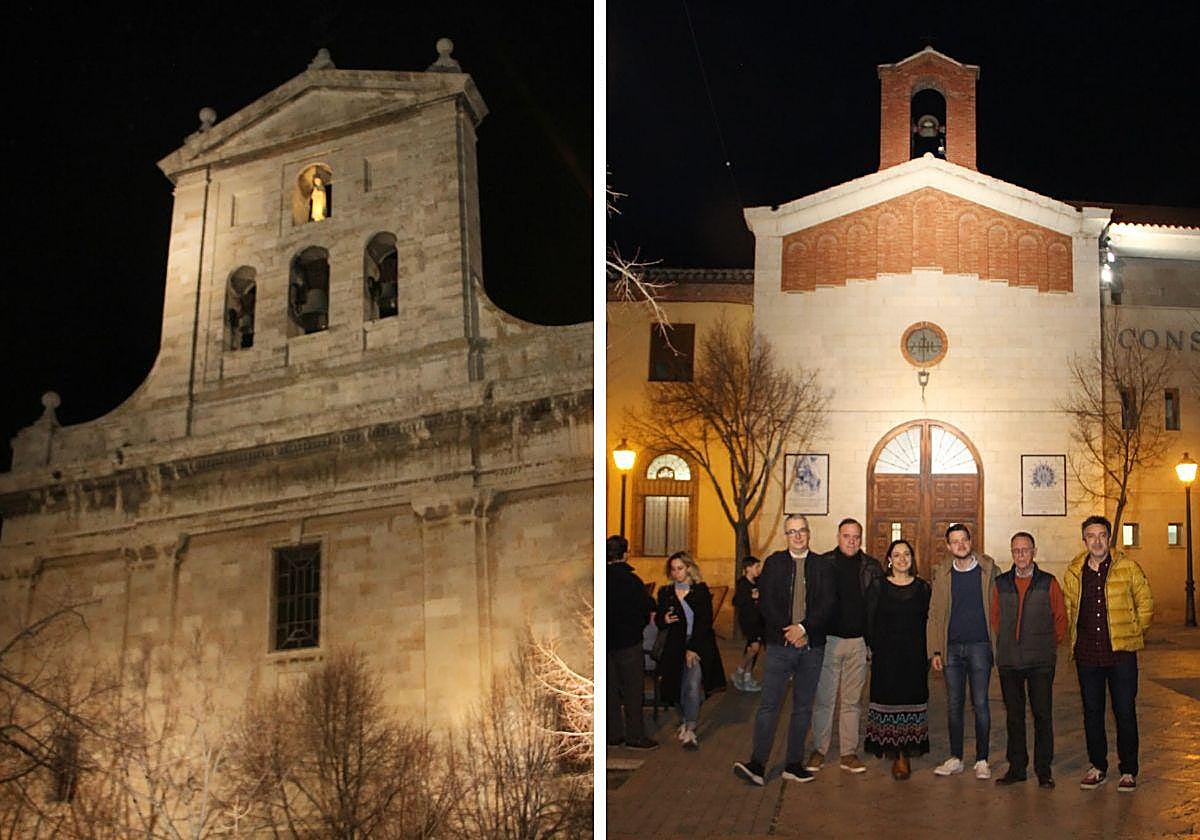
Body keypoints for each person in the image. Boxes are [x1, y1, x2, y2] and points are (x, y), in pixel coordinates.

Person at [733, 514, 836, 785]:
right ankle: (757, 764)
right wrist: (789, 632)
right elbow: (767, 604)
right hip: (780, 646)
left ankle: (793, 763)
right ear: (786, 536)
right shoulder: (774, 564)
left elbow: (827, 604)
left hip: (811, 646)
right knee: (769, 706)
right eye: (792, 532)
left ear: (809, 534)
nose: (798, 536)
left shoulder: (822, 566)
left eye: (801, 531)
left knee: (802, 707)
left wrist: (803, 629)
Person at [1063, 515, 1154, 792]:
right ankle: (1097, 766)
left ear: (1109, 538)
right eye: (1091, 536)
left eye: (1102, 535)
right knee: (1092, 712)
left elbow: (1146, 603)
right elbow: (1069, 607)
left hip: (1121, 656)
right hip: (1088, 655)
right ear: (1084, 540)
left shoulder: (1128, 567)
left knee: (1124, 711)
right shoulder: (1075, 571)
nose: (1097, 541)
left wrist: (1133, 630)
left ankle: (1128, 770)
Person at [990, 531, 1067, 788]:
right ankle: (1017, 767)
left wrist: (1045, 645)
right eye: (1016, 550)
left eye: (1025, 550)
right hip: (1010, 662)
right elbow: (996, 618)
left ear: (1034, 552)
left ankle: (1043, 769)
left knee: (1042, 715)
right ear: (1012, 553)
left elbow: (1060, 619)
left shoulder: (1048, 582)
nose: (1020, 555)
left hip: (1040, 662)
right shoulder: (1001, 583)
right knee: (1014, 716)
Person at [807, 518, 883, 774]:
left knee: (852, 701)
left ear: (861, 539)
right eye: (846, 536)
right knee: (825, 698)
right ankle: (819, 749)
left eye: (856, 537)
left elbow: (877, 607)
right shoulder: (823, 564)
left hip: (859, 643)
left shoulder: (871, 567)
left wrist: (874, 642)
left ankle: (848, 753)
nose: (851, 541)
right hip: (829, 641)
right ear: (838, 536)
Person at [929, 523, 998, 779]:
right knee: (953, 704)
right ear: (948, 546)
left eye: (964, 540)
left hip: (980, 645)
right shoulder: (943, 574)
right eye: (954, 541)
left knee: (980, 703)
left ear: (971, 541)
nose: (960, 545)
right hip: (952, 648)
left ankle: (982, 759)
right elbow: (935, 614)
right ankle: (956, 757)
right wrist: (936, 650)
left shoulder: (988, 570)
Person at [863, 539, 931, 780]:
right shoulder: (878, 587)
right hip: (887, 656)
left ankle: (905, 753)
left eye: (907, 555)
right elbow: (869, 619)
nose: (902, 559)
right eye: (897, 555)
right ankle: (894, 751)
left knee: (911, 699)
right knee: (889, 699)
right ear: (889, 560)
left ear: (912, 560)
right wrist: (871, 648)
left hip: (914, 656)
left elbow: (929, 622)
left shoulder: (923, 588)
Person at [655, 551, 726, 749]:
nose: (677, 573)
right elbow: (659, 619)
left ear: (688, 568)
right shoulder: (666, 592)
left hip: (697, 644)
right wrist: (664, 619)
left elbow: (704, 622)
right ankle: (685, 720)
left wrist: (693, 648)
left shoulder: (700, 591)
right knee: (677, 686)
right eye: (673, 569)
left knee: (693, 685)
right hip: (674, 646)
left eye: (680, 568)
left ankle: (691, 727)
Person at [605, 535, 658, 750]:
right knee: (633, 691)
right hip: (629, 642)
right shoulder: (632, 582)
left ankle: (613, 734)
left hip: (606, 644)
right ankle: (635, 735)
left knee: (609, 691)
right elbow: (646, 607)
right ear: (625, 554)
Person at [732, 555, 766, 691]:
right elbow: (736, 601)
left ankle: (747, 676)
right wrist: (750, 597)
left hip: (758, 620)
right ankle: (739, 671)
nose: (759, 569)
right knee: (755, 647)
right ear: (748, 568)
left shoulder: (758, 582)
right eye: (756, 567)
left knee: (752, 649)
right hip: (748, 621)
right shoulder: (742, 584)